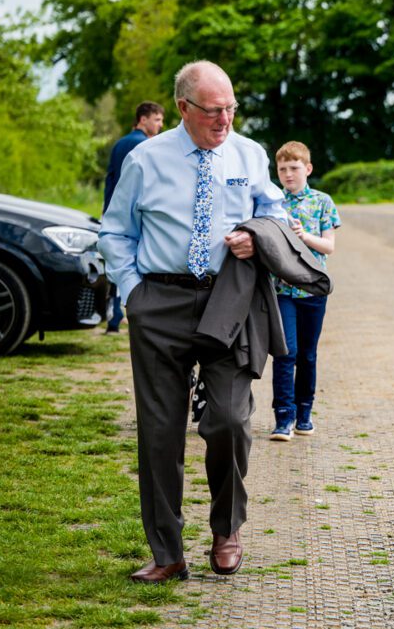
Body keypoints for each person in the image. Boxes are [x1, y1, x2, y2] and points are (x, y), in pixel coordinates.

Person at [99, 60, 286, 583]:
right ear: (183, 107)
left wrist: (257, 236)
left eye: (231, 108)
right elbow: (115, 232)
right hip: (160, 301)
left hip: (230, 299)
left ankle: (227, 530)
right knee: (160, 431)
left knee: (228, 420)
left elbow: (277, 214)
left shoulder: (249, 154)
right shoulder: (145, 159)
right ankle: (167, 552)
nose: (224, 119)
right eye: (213, 110)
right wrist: (134, 293)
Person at [269, 141, 340, 441]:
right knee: (285, 352)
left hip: (313, 291)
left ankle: (304, 414)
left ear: (308, 169)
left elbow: (329, 246)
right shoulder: (273, 202)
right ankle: (283, 417)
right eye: (282, 169)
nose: (288, 174)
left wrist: (303, 236)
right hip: (282, 290)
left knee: (307, 356)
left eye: (294, 168)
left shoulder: (323, 202)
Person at [102, 101, 165, 333]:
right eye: (157, 120)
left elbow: (110, 180)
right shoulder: (145, 146)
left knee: (117, 261)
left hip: (113, 212)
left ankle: (114, 317)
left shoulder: (120, 144)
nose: (160, 125)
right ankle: (133, 312)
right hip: (135, 215)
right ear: (143, 119)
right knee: (135, 264)